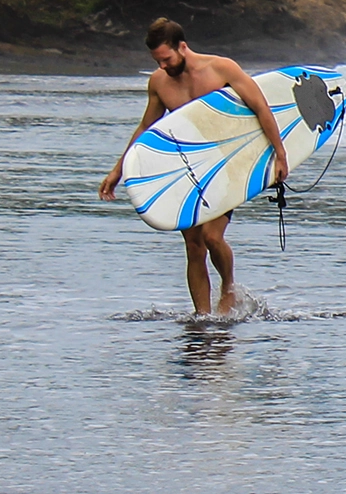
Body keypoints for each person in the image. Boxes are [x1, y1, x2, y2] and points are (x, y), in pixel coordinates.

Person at [98, 18, 291, 315]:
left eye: (166, 58)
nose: (162, 66)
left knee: (212, 237)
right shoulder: (159, 83)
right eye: (157, 61)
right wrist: (118, 170)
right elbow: (145, 129)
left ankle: (228, 288)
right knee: (194, 246)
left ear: (183, 47)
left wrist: (279, 155)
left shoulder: (221, 69)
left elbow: (261, 107)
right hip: (188, 168)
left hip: (226, 164)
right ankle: (202, 316)